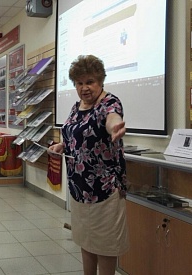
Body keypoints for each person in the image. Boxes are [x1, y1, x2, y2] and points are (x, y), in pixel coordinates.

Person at [48, 55, 128, 275]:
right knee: (86, 242)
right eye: (80, 83)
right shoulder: (77, 108)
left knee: (105, 246)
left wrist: (114, 127)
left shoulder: (109, 103)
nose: (85, 88)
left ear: (100, 80)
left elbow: (111, 118)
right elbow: (76, 136)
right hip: (79, 189)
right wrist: (62, 146)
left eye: (90, 81)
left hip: (105, 190)